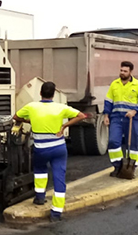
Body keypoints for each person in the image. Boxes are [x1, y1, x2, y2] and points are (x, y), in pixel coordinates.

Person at [13, 81, 87, 222]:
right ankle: (56, 213)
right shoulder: (61, 107)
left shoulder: (32, 107)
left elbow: (16, 117)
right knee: (59, 177)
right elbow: (82, 116)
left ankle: (40, 198)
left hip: (41, 149)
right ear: (53, 95)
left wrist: (29, 121)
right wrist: (65, 125)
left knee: (40, 171)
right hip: (59, 149)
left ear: (40, 93)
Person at [104, 61, 138, 177]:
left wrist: (135, 111)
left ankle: (130, 168)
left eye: (125, 71)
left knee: (133, 144)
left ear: (130, 72)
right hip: (116, 118)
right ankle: (117, 167)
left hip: (132, 119)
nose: (122, 73)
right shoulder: (114, 84)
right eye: (121, 70)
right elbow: (108, 101)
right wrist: (106, 115)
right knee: (113, 141)